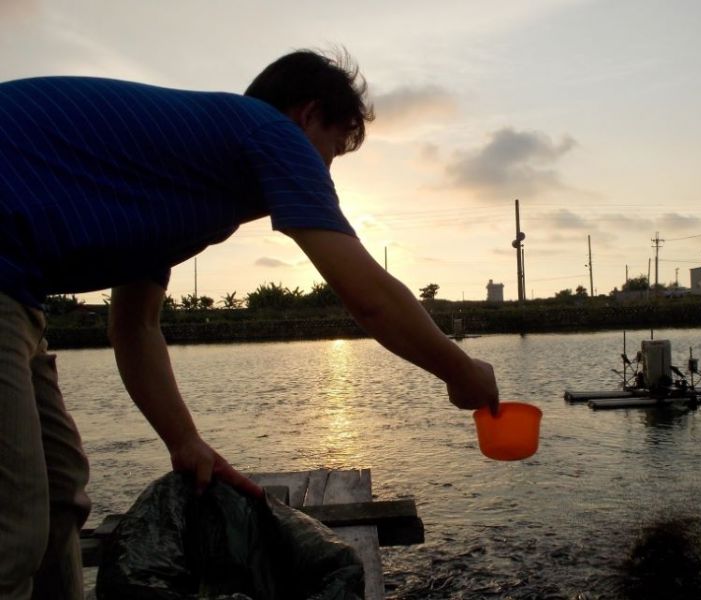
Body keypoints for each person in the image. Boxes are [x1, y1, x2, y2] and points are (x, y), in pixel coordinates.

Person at [0, 49, 499, 599]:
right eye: (331, 150)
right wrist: (460, 371)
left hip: (19, 290)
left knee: (57, 494)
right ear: (307, 115)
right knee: (12, 528)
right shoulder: (268, 130)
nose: (324, 171)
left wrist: (185, 441)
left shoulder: (173, 181)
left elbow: (135, 328)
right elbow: (368, 299)